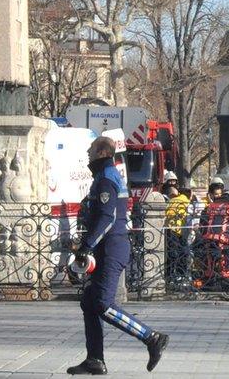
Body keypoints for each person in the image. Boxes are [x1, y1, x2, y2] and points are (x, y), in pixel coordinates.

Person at [68, 137, 169, 375]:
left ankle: (151, 337)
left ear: (102, 152)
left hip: (111, 247)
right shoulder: (107, 175)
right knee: (90, 303)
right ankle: (94, 359)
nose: (88, 152)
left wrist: (87, 246)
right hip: (109, 246)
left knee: (103, 304)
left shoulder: (105, 178)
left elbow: (107, 217)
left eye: (91, 149)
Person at [198, 187, 229, 283]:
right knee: (224, 259)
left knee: (210, 259)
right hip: (223, 238)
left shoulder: (210, 206)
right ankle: (226, 279)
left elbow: (202, 222)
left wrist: (203, 234)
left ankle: (209, 279)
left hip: (209, 237)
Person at [163, 186, 191, 285]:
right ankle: (181, 275)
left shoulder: (172, 201)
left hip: (169, 229)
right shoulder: (185, 200)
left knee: (171, 254)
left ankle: (169, 276)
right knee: (183, 253)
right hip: (180, 231)